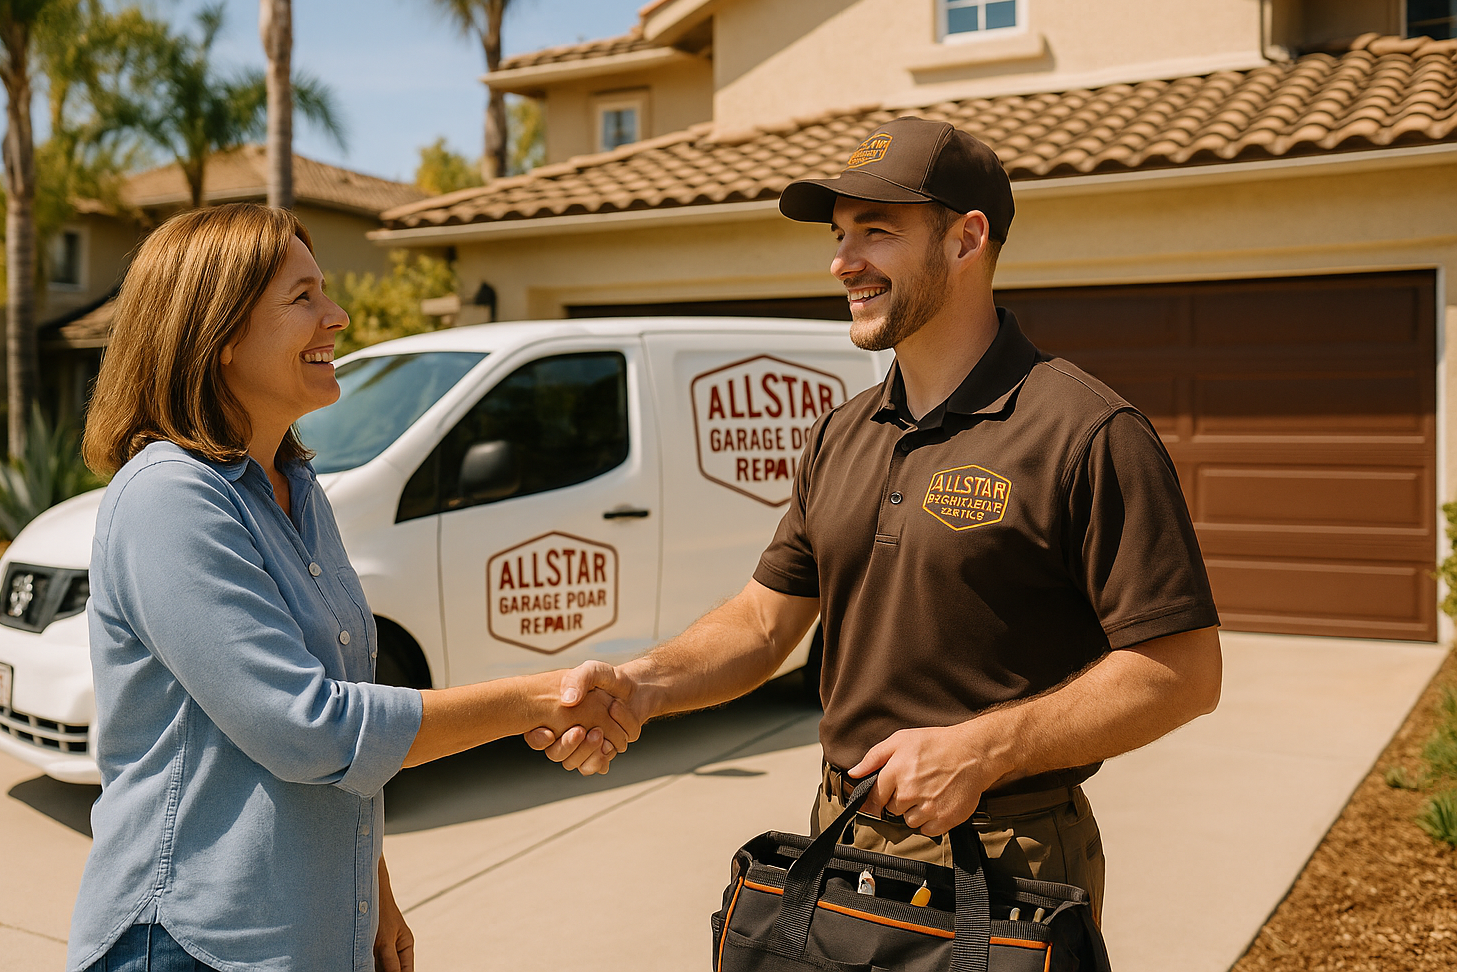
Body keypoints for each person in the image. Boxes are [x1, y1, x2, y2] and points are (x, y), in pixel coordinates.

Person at [530, 117, 1223, 919]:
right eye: (838, 234)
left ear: (967, 240)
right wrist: (640, 684)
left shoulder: (1085, 432)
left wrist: (984, 749)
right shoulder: (841, 433)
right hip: (843, 838)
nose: (842, 261)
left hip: (1005, 860)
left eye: (877, 231)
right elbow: (762, 625)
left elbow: (1183, 670)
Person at [70, 203, 631, 972]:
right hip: (188, 943)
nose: (335, 316)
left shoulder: (296, 487)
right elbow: (308, 728)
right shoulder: (172, 497)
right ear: (220, 333)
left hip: (307, 934)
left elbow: (344, 708)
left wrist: (372, 894)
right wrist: (539, 699)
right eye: (302, 297)